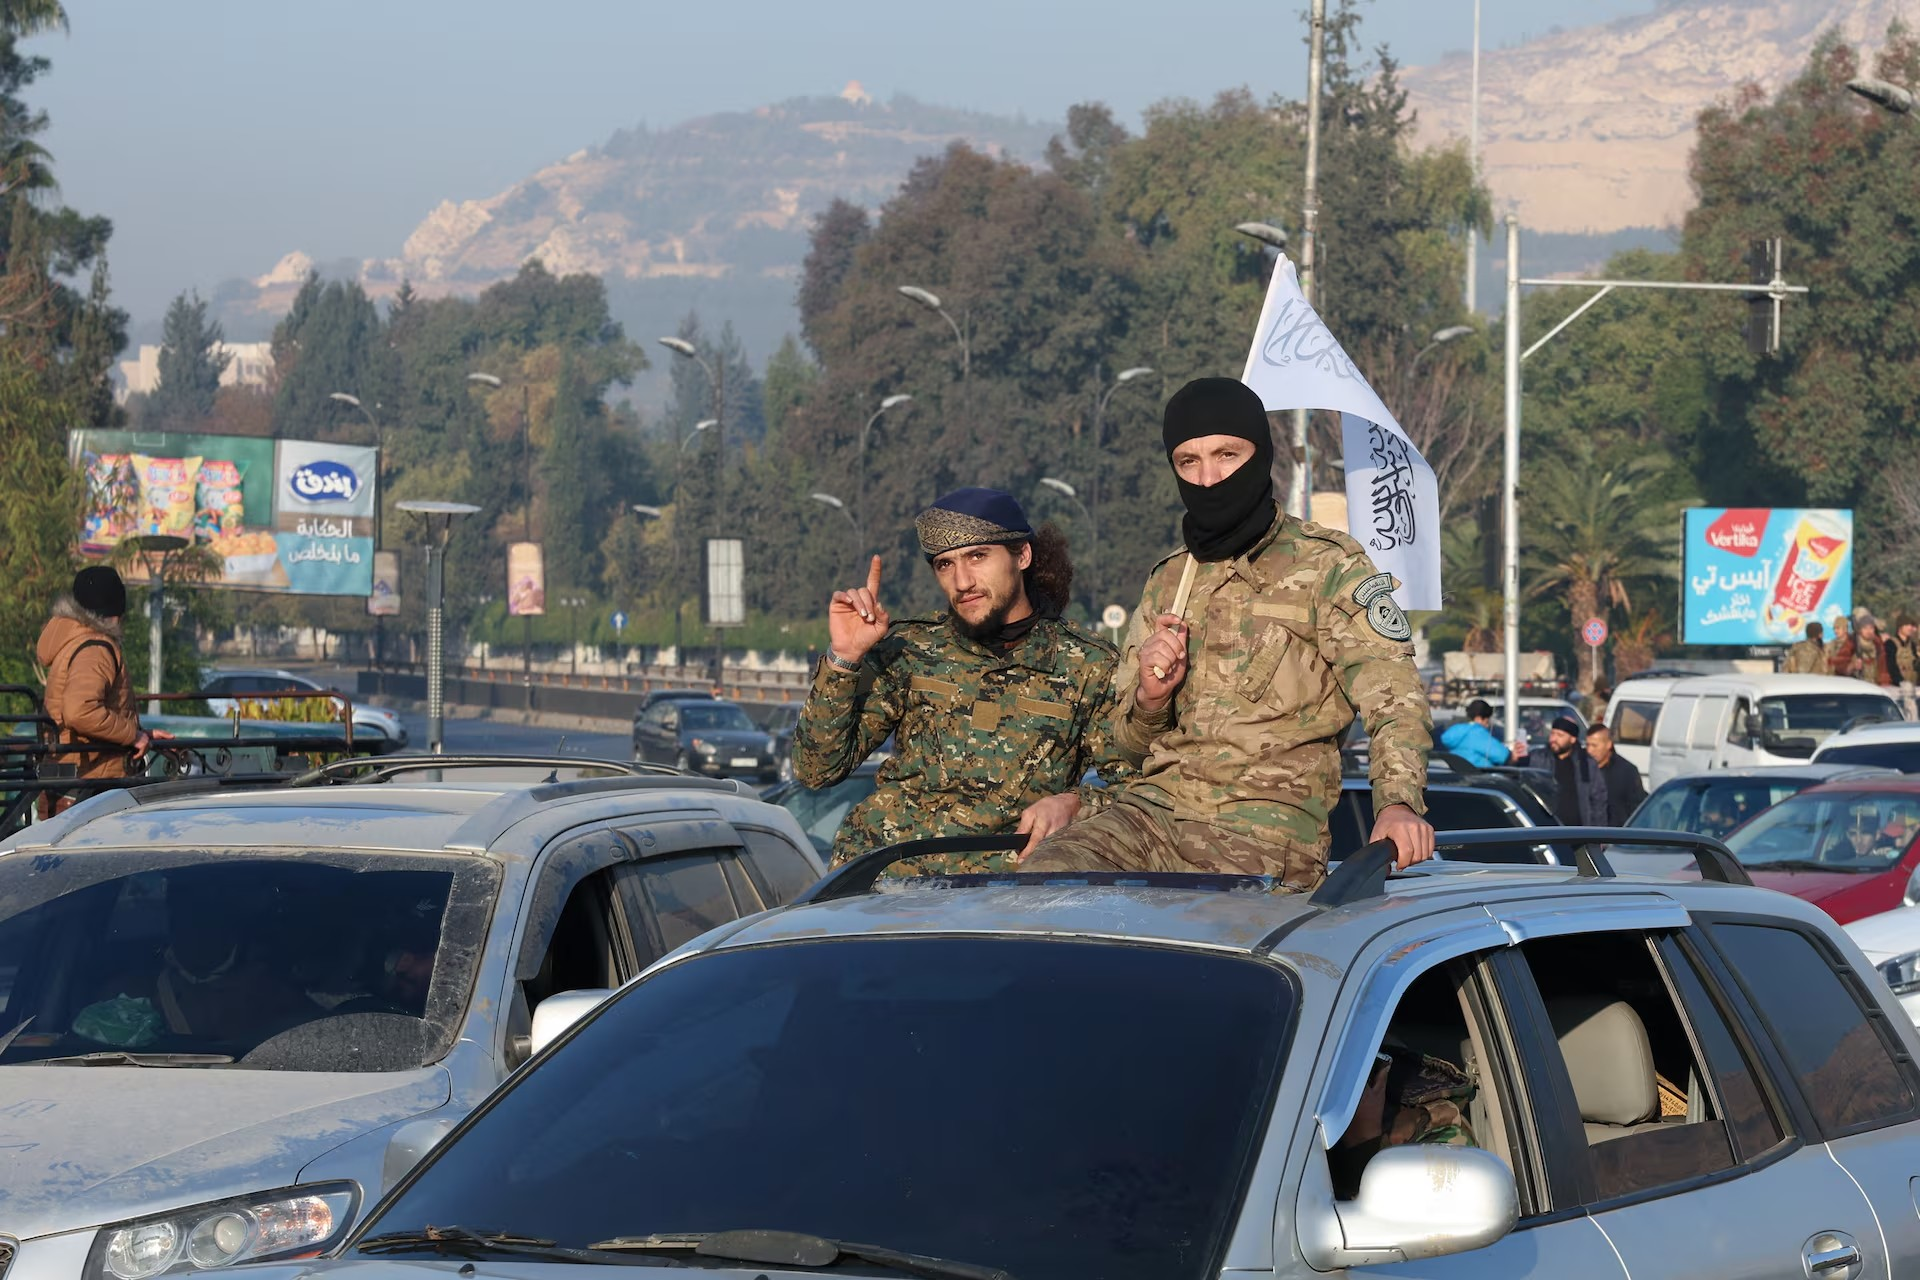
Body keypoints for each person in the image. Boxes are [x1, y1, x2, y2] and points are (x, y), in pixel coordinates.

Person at [1024, 377, 1435, 888]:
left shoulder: (1329, 566)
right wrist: (1152, 699)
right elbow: (1127, 748)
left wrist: (1397, 803)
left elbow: (1395, 699)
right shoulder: (1170, 579)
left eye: (1227, 454)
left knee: (1198, 946)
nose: (1209, 477)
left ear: (1260, 456)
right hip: (1152, 814)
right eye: (1188, 462)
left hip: (1261, 833)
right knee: (1040, 886)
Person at [791, 487, 1129, 868]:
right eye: (944, 564)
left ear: (1022, 555)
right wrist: (845, 659)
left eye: (977, 556)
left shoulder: (1089, 665)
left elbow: (1136, 792)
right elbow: (816, 771)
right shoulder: (910, 649)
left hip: (999, 900)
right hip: (884, 889)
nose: (962, 581)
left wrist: (1075, 803)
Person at [35, 566, 170, 808]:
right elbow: (80, 711)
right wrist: (133, 735)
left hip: (75, 779)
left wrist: (139, 732)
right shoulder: (96, 647)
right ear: (115, 611)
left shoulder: (76, 639)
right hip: (89, 784)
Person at [1526, 716, 1608, 826]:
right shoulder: (1538, 758)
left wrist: (1598, 832)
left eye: (1560, 735)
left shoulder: (1586, 763)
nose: (1554, 739)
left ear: (1572, 739)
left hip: (1580, 833)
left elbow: (1598, 799)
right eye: (1553, 733)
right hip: (1546, 830)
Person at [1584, 724, 1645, 825]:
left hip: (1617, 833)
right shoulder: (1582, 768)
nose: (1589, 750)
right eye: (1587, 745)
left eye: (1594, 745)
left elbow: (1636, 806)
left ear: (1608, 744)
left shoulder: (1626, 771)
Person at [1438, 699, 1518, 768]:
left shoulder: (1455, 732)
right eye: (1487, 721)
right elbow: (1502, 756)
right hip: (1479, 778)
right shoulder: (1476, 732)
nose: (1487, 726)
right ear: (1479, 719)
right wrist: (1513, 756)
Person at [1893, 614, 1920, 719]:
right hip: (1897, 688)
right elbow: (1891, 666)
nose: (1910, 627)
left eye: (1911, 625)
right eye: (1907, 625)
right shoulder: (1891, 643)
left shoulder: (1912, 645)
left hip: (1913, 687)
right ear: (1900, 627)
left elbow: (1915, 665)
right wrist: (1899, 681)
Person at [1855, 617, 1891, 685]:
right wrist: (1852, 666)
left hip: (1875, 686)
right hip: (1856, 685)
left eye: (1871, 628)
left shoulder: (1878, 645)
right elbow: (1842, 666)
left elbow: (1883, 667)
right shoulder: (1853, 644)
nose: (1868, 631)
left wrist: (1884, 683)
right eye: (1865, 628)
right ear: (1860, 630)